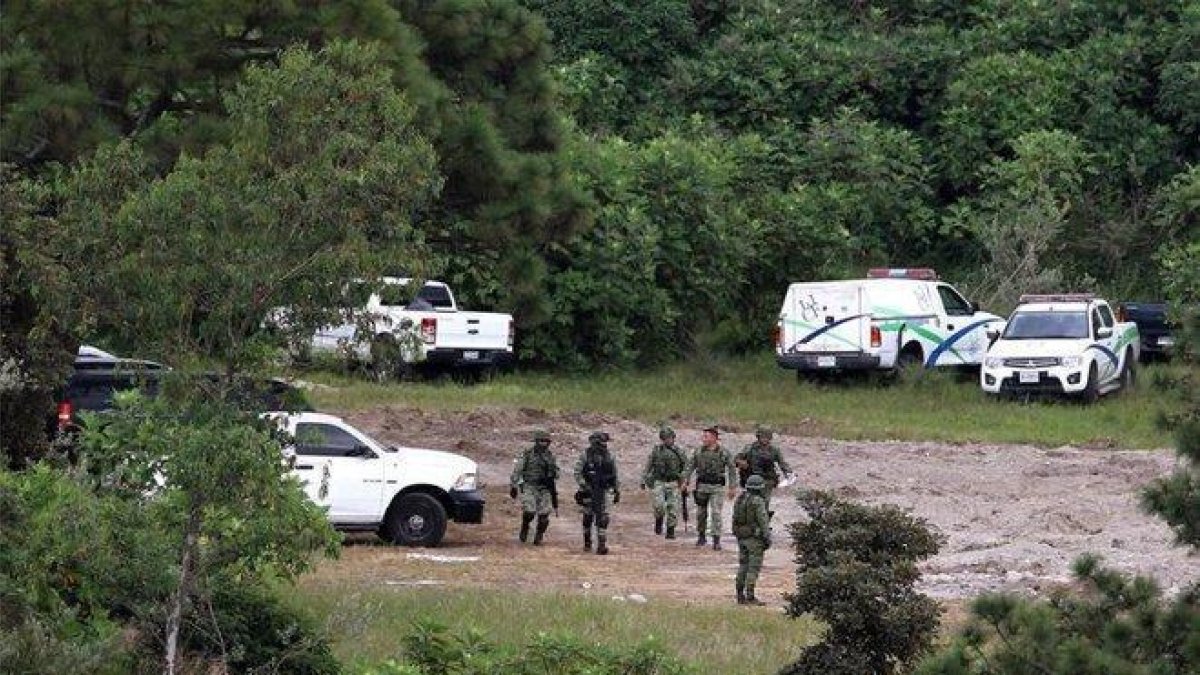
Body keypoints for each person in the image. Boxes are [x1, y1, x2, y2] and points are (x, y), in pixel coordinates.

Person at [683, 423, 736, 550]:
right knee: (701, 513)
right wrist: (685, 481)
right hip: (702, 486)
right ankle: (701, 536)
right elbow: (690, 467)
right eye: (703, 436)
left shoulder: (723, 452)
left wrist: (732, 487)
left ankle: (716, 539)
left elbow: (732, 469)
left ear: (714, 438)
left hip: (717, 487)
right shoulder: (698, 452)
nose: (704, 439)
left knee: (716, 513)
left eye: (706, 436)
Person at [509, 429, 559, 545]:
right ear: (536, 441)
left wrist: (551, 477)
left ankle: (539, 535)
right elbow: (518, 469)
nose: (544, 444)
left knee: (544, 515)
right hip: (529, 485)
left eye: (546, 441)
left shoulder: (550, 456)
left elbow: (557, 472)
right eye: (541, 441)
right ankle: (525, 526)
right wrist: (514, 485)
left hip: (545, 488)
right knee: (529, 511)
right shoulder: (527, 454)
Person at [574, 431, 620, 555]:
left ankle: (601, 545)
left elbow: (615, 474)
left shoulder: (609, 456)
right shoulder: (585, 455)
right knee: (588, 517)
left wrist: (617, 490)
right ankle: (587, 541)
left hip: (605, 490)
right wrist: (584, 485)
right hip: (589, 489)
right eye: (601, 442)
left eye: (605, 442)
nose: (604, 445)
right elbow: (577, 472)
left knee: (603, 518)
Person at [642, 425, 687, 539]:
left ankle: (670, 530)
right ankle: (659, 519)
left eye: (670, 438)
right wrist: (643, 479)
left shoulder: (679, 452)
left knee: (673, 508)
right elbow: (648, 465)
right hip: (659, 481)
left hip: (674, 482)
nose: (668, 440)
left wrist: (684, 481)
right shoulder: (656, 451)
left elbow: (686, 467)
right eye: (666, 438)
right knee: (659, 505)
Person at [735, 425, 794, 512]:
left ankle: (763, 519)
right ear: (758, 437)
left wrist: (789, 474)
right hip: (752, 480)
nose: (765, 439)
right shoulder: (750, 448)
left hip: (767, 480)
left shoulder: (774, 450)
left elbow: (782, 463)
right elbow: (736, 459)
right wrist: (742, 463)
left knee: (764, 503)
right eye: (763, 437)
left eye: (767, 437)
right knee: (751, 503)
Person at [732, 474, 771, 605]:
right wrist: (767, 537)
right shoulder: (758, 501)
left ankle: (739, 594)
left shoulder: (740, 499)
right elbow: (763, 521)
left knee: (743, 566)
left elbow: (735, 519)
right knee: (753, 568)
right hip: (754, 539)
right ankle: (750, 596)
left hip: (742, 537)